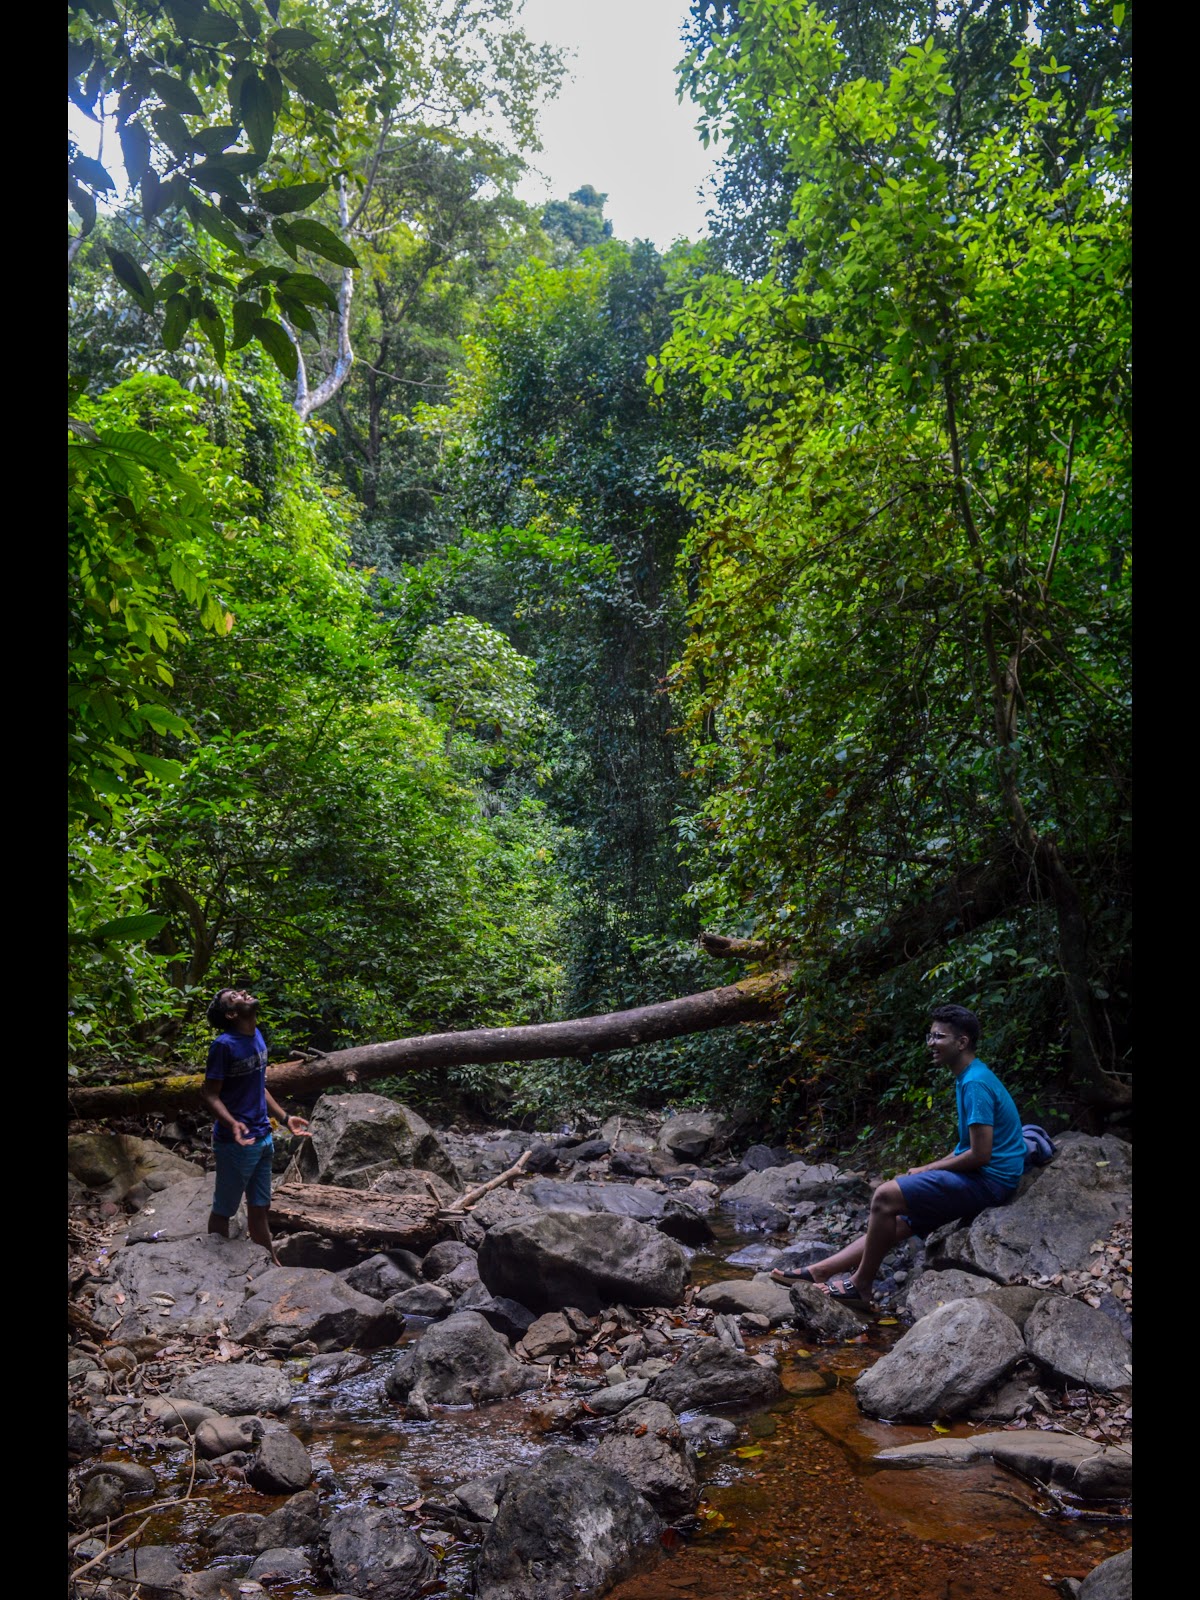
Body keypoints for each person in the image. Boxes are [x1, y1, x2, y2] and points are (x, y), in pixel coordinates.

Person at [772, 1003, 1026, 1309]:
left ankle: (860, 1285)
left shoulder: (975, 1083)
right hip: (984, 1176)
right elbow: (965, 1148)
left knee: (884, 1197)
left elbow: (981, 1154)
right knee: (903, 1219)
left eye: (939, 1037)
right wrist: (925, 1171)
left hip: (991, 1182)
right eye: (930, 1036)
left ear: (962, 1042)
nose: (931, 1043)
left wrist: (930, 1167)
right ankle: (820, 1270)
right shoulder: (968, 1076)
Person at [203, 986, 310, 1263]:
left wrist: (285, 1119)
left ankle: (270, 1262)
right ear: (231, 1013)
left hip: (263, 1137)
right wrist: (232, 1123)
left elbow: (258, 1086)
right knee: (224, 1210)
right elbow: (210, 1094)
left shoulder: (257, 1036)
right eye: (234, 997)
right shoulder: (223, 1046)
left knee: (260, 1208)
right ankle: (214, 1267)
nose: (243, 993)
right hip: (235, 1143)